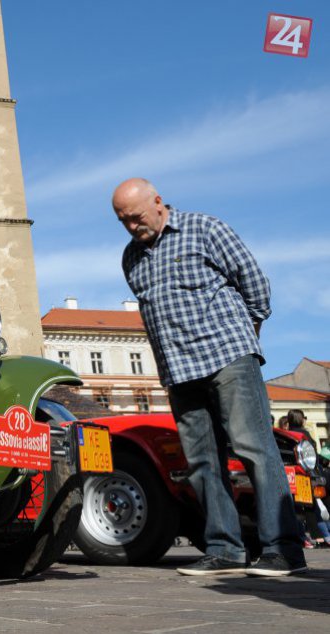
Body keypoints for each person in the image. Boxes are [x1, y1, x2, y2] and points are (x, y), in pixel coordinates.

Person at [112, 178, 306, 577]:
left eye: (135, 217)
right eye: (123, 221)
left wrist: (246, 336)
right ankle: (224, 549)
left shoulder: (206, 229)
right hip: (179, 371)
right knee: (201, 462)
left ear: (158, 202)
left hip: (228, 358)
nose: (132, 227)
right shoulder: (130, 258)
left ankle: (283, 549)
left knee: (254, 449)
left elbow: (255, 283)